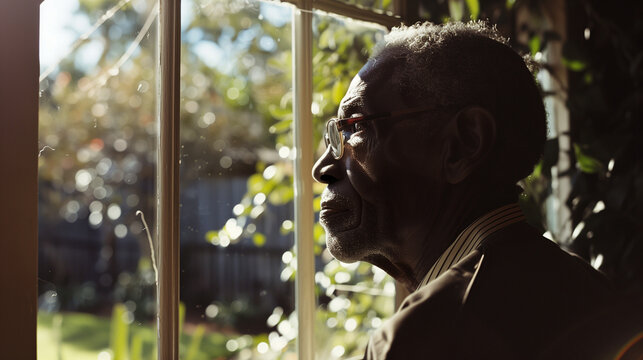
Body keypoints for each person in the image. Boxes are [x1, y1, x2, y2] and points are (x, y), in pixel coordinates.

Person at [312, 21, 641, 359]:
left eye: (355, 128)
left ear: (464, 144)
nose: (322, 168)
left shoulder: (420, 340)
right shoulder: (593, 291)